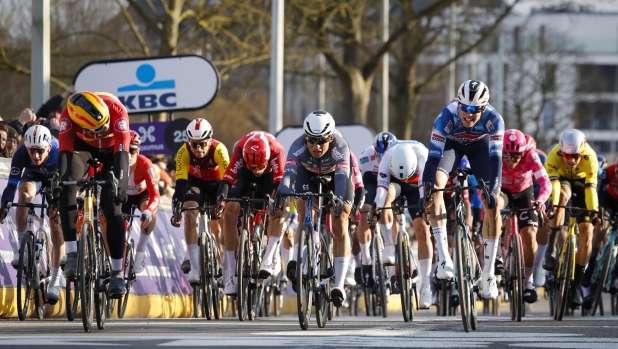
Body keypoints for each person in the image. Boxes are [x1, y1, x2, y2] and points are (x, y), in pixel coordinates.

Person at [421, 80, 505, 299]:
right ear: (458, 103)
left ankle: (488, 274)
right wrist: (428, 190)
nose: (469, 114)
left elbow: (496, 160)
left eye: (476, 110)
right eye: (465, 108)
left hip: (480, 148)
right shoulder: (445, 117)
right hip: (452, 147)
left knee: (491, 203)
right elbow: (432, 160)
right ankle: (443, 258)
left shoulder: (495, 120)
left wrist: (493, 192)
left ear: (484, 108)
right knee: (437, 187)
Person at [53, 91, 130, 297]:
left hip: (112, 151)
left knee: (112, 204)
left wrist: (121, 185)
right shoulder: (68, 117)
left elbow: (123, 152)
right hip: (83, 148)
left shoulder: (116, 110)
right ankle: (71, 253)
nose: (105, 129)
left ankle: (117, 273)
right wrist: (59, 184)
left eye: (106, 124)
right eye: (99, 128)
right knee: (68, 184)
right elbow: (65, 154)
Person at [275, 110, 353, 307]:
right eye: (311, 140)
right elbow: (289, 174)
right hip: (307, 174)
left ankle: (339, 283)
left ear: (330, 137)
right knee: (302, 208)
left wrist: (339, 200)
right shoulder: (298, 146)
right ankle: (302, 254)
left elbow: (343, 178)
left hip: (335, 178)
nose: (316, 147)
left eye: (322, 141)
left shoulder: (340, 146)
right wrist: (282, 192)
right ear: (305, 137)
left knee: (340, 219)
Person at [0, 125, 64, 304]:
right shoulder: (21, 154)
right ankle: (23, 249)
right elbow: (11, 185)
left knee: (56, 227)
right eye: (31, 151)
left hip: (56, 182)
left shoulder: (59, 152)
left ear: (48, 148)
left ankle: (55, 282)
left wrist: (57, 205)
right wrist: (4, 206)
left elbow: (65, 186)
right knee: (23, 195)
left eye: (40, 151)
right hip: (34, 177)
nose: (35, 156)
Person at [216, 131, 285, 295]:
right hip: (244, 176)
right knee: (229, 211)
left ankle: (269, 256)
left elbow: (279, 184)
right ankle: (231, 274)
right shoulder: (240, 150)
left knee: (279, 208)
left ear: (267, 158)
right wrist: (221, 200)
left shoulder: (277, 151)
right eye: (253, 166)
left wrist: (276, 203)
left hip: (270, 177)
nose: (257, 170)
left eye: (260, 166)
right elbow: (227, 180)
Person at [374, 141, 433, 307]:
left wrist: (425, 208)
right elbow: (381, 189)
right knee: (386, 199)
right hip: (395, 184)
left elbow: (424, 190)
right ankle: (389, 246)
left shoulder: (423, 156)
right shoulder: (387, 158)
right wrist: (377, 210)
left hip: (417, 185)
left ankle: (426, 287)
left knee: (423, 231)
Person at [543, 129, 599, 306]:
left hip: (583, 185)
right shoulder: (553, 155)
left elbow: (591, 190)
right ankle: (551, 249)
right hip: (561, 181)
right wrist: (552, 203)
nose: (572, 160)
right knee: (562, 197)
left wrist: (594, 211)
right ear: (561, 151)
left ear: (583, 152)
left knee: (587, 235)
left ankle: (576, 286)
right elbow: (554, 186)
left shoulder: (591, 158)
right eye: (568, 156)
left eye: (577, 156)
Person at [170, 118, 229, 284]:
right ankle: (195, 266)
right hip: (195, 184)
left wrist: (222, 201)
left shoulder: (219, 150)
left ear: (209, 141)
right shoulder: (183, 151)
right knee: (189, 214)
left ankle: (226, 263)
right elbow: (180, 183)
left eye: (202, 144)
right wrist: (179, 204)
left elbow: (228, 180)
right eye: (193, 144)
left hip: (218, 184)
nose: (197, 149)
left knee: (224, 218)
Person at [500, 129, 551, 303]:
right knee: (494, 213)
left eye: (516, 155)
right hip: (502, 192)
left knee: (529, 235)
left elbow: (546, 183)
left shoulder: (530, 155)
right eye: (507, 154)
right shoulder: (495, 153)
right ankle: (498, 257)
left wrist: (541, 200)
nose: (511, 159)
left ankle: (528, 280)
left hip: (524, 193)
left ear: (524, 151)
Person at [357, 132, 397, 286]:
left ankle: (391, 253)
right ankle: (366, 260)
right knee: (365, 213)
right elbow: (357, 182)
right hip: (371, 181)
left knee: (393, 215)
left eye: (385, 154)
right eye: (379, 153)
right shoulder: (365, 157)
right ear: (374, 151)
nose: (382, 157)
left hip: (391, 182)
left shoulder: (399, 153)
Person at [122, 130, 161, 273]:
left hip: (141, 195)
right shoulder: (115, 162)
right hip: (123, 196)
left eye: (133, 150)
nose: (129, 154)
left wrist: (149, 212)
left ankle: (141, 250)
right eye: (126, 150)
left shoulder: (145, 163)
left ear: (138, 150)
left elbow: (156, 195)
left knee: (148, 210)